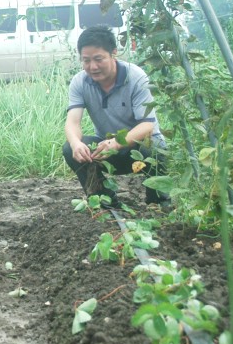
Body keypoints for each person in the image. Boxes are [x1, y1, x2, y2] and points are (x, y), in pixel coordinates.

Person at [62, 25, 169, 208]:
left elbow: (147, 126)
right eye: (86, 60)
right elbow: (73, 122)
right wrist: (75, 144)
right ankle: (104, 200)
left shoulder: (135, 77)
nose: (92, 67)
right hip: (106, 149)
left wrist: (116, 143)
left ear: (113, 53)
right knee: (69, 148)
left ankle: (158, 201)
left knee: (155, 148)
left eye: (98, 59)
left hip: (139, 148)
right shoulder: (80, 82)